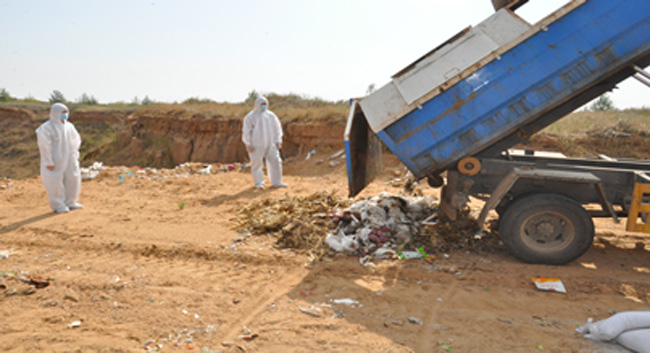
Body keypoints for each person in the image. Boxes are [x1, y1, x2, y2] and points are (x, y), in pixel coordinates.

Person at [35, 103, 83, 213]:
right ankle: (58, 204)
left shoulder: (69, 126)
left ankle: (71, 202)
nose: (65, 115)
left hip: (69, 157)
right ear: (55, 113)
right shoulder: (47, 127)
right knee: (55, 181)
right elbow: (44, 145)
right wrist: (48, 161)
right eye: (62, 113)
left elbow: (76, 140)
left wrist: (74, 154)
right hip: (55, 158)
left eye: (66, 112)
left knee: (73, 178)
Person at [241, 96, 287, 189]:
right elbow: (246, 131)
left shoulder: (271, 116)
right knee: (257, 164)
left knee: (276, 161)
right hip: (256, 144)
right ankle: (259, 183)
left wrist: (278, 140)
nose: (263, 106)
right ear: (257, 104)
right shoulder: (250, 117)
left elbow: (277, 128)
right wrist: (248, 144)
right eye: (262, 104)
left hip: (271, 143)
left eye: (265, 104)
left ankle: (277, 182)